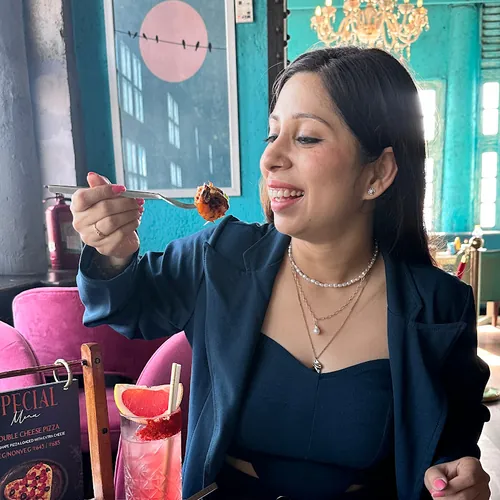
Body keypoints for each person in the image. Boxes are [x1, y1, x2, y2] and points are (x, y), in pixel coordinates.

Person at [71, 47, 491, 500]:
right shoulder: (221, 258)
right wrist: (112, 249)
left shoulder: (440, 308)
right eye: (272, 134)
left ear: (378, 173)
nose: (270, 158)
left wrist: (458, 479)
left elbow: (450, 441)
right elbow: (127, 303)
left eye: (306, 138)